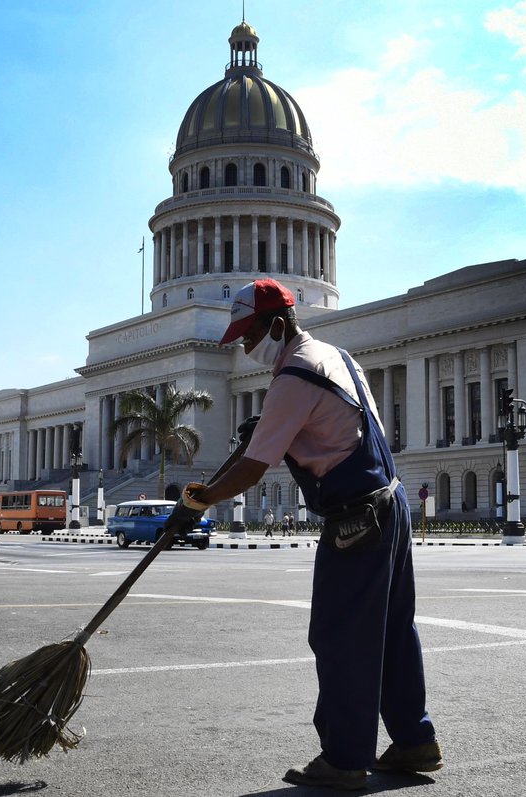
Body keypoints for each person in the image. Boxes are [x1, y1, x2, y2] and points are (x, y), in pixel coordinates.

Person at [184, 278, 440, 790]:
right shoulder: (336, 356)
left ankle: (345, 759)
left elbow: (254, 467)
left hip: (356, 517)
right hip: (391, 501)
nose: (245, 347)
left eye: (249, 336)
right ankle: (414, 740)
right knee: (392, 630)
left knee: (340, 634)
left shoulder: (293, 377)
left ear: (278, 325)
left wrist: (202, 499)